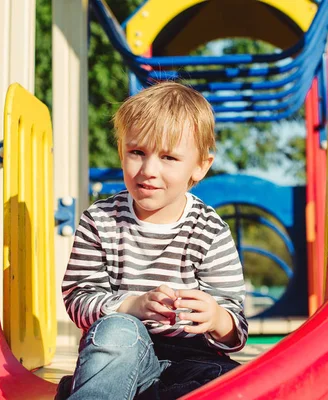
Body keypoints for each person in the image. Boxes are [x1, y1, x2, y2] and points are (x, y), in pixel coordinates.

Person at [57, 81, 248, 400]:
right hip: (123, 350)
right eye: (137, 152)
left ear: (200, 167)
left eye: (169, 158)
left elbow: (235, 329)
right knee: (116, 333)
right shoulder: (101, 220)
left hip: (194, 359)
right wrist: (130, 306)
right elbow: (79, 298)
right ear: (121, 152)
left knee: (235, 381)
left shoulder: (209, 229)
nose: (148, 170)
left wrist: (216, 317)